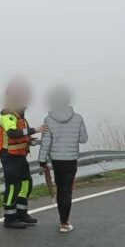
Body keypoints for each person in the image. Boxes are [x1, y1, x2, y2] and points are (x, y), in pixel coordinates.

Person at [0, 80, 47, 229]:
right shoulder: (7, 113)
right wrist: (34, 130)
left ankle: (21, 213)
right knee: (12, 186)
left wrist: (29, 140)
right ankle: (10, 218)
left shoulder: (19, 114)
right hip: (9, 155)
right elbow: (12, 133)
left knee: (26, 183)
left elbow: (20, 134)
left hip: (20, 154)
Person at [38, 86, 88, 233]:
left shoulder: (48, 119)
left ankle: (62, 219)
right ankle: (65, 222)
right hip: (71, 159)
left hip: (56, 160)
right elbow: (83, 139)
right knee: (67, 189)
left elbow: (46, 142)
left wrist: (42, 160)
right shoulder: (78, 118)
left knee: (60, 188)